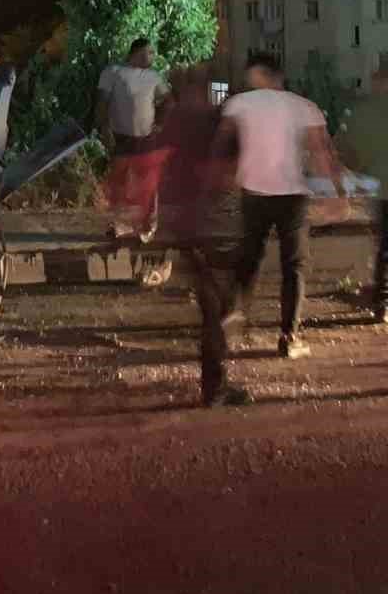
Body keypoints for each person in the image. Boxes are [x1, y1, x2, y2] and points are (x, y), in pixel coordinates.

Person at [217, 52, 344, 359]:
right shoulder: (303, 107)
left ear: (257, 74)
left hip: (254, 193)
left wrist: (223, 178)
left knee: (250, 255)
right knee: (294, 266)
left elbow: (221, 144)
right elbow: (322, 153)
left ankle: (234, 310)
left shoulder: (238, 104)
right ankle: (289, 336)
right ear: (279, 75)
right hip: (292, 197)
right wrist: (338, 194)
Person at [158, 66, 250, 407]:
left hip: (186, 224)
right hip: (214, 225)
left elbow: (158, 163)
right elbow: (234, 171)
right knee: (218, 303)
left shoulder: (177, 120)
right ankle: (216, 384)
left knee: (213, 302)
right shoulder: (219, 122)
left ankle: (215, 379)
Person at [97, 37, 172, 241]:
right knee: (120, 183)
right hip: (121, 137)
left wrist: (160, 124)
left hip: (146, 138)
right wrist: (104, 129)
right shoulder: (113, 73)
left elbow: (168, 101)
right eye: (150, 52)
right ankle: (121, 225)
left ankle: (148, 226)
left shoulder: (154, 77)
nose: (153, 56)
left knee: (148, 184)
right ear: (136, 53)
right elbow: (102, 102)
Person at [337, 69, 388, 324]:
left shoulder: (361, 111)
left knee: (385, 246)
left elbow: (345, 151)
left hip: (381, 188)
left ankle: (383, 303)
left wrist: (360, 170)